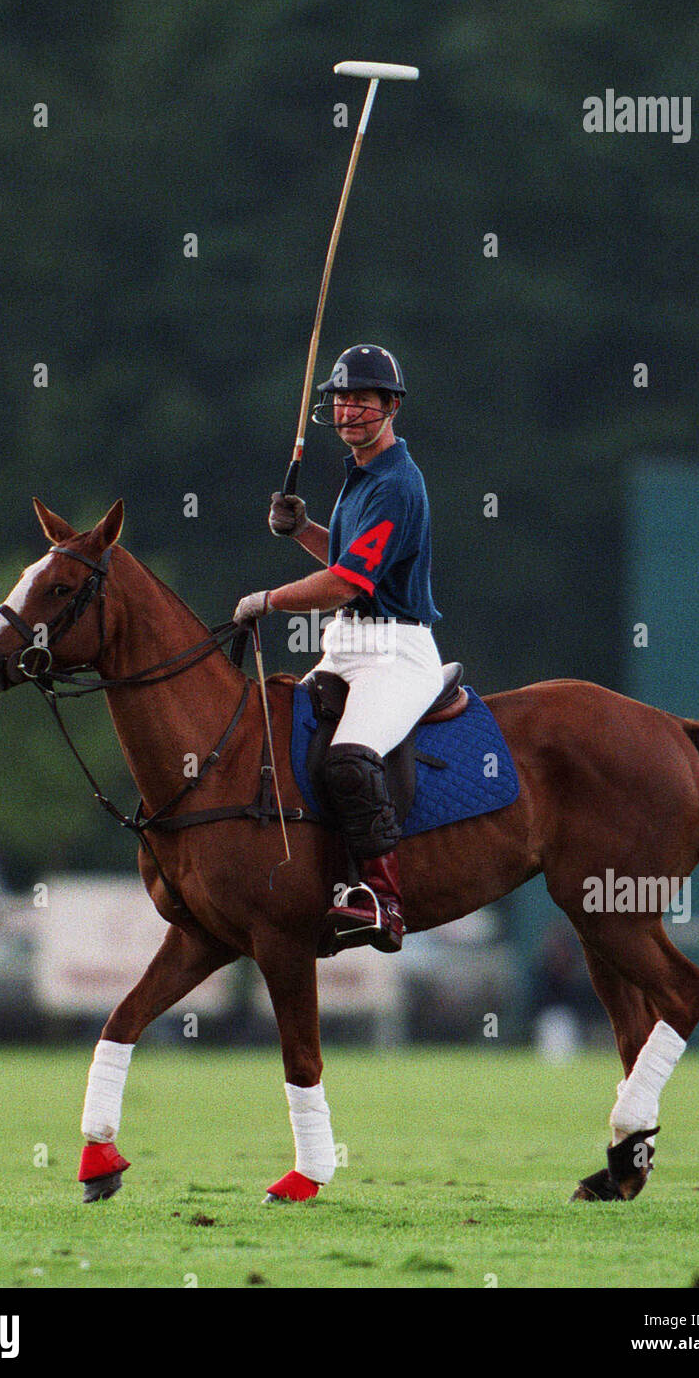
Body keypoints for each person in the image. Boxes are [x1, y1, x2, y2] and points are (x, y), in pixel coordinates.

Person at [234, 344, 443, 952]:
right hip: (346, 646)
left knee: (349, 757)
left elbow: (350, 582)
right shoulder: (361, 480)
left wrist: (269, 600)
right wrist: (303, 531)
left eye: (361, 400)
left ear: (392, 406)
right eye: (340, 399)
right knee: (285, 746)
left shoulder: (398, 483)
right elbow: (348, 559)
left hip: (395, 653)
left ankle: (383, 898)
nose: (347, 410)